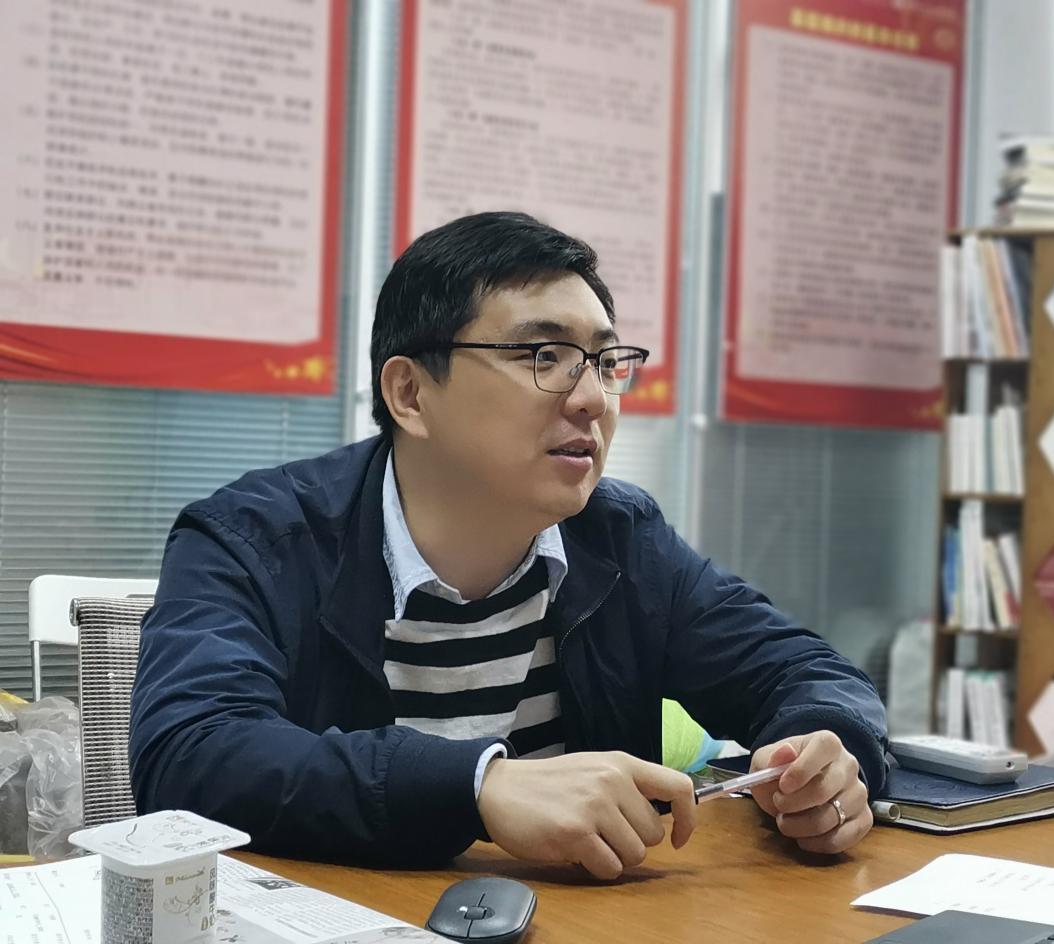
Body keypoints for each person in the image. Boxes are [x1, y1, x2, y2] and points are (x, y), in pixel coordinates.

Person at [130, 211, 889, 878]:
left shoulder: (620, 538)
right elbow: (190, 755)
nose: (590, 399)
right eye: (543, 357)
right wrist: (478, 786)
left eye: (604, 362)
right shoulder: (255, 538)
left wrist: (819, 755)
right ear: (410, 394)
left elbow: (805, 671)